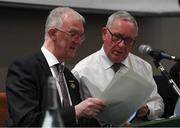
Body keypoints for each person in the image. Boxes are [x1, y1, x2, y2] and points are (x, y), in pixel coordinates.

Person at [5, 7, 105, 127]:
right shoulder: (24, 69)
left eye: (81, 36)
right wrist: (76, 111)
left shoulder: (69, 77)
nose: (78, 42)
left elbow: (79, 121)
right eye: (73, 34)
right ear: (53, 33)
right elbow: (26, 121)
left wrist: (107, 121)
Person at [72, 10, 164, 124]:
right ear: (104, 33)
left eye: (128, 40)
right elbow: (75, 117)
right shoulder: (81, 71)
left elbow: (158, 103)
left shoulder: (143, 67)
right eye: (117, 37)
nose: (121, 45)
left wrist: (147, 110)